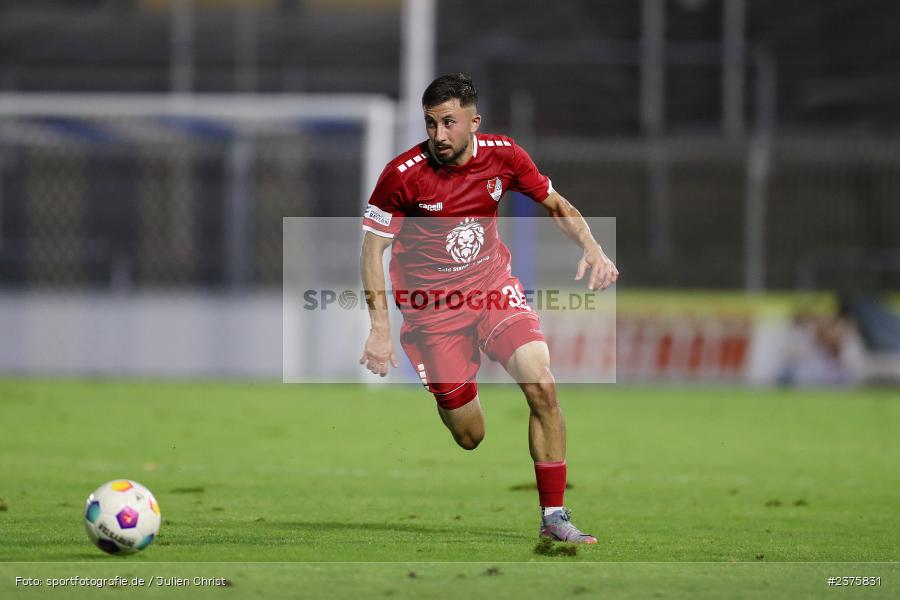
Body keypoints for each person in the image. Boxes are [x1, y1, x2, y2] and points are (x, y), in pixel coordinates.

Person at [359, 73, 618, 543]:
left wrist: (592, 246)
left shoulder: (504, 155)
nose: (438, 135)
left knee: (542, 385)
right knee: (469, 435)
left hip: (491, 288)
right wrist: (379, 328)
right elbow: (371, 249)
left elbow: (554, 203)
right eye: (431, 123)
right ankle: (449, 391)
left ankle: (554, 517)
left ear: (473, 122)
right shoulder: (403, 176)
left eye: (449, 123)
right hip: (433, 312)